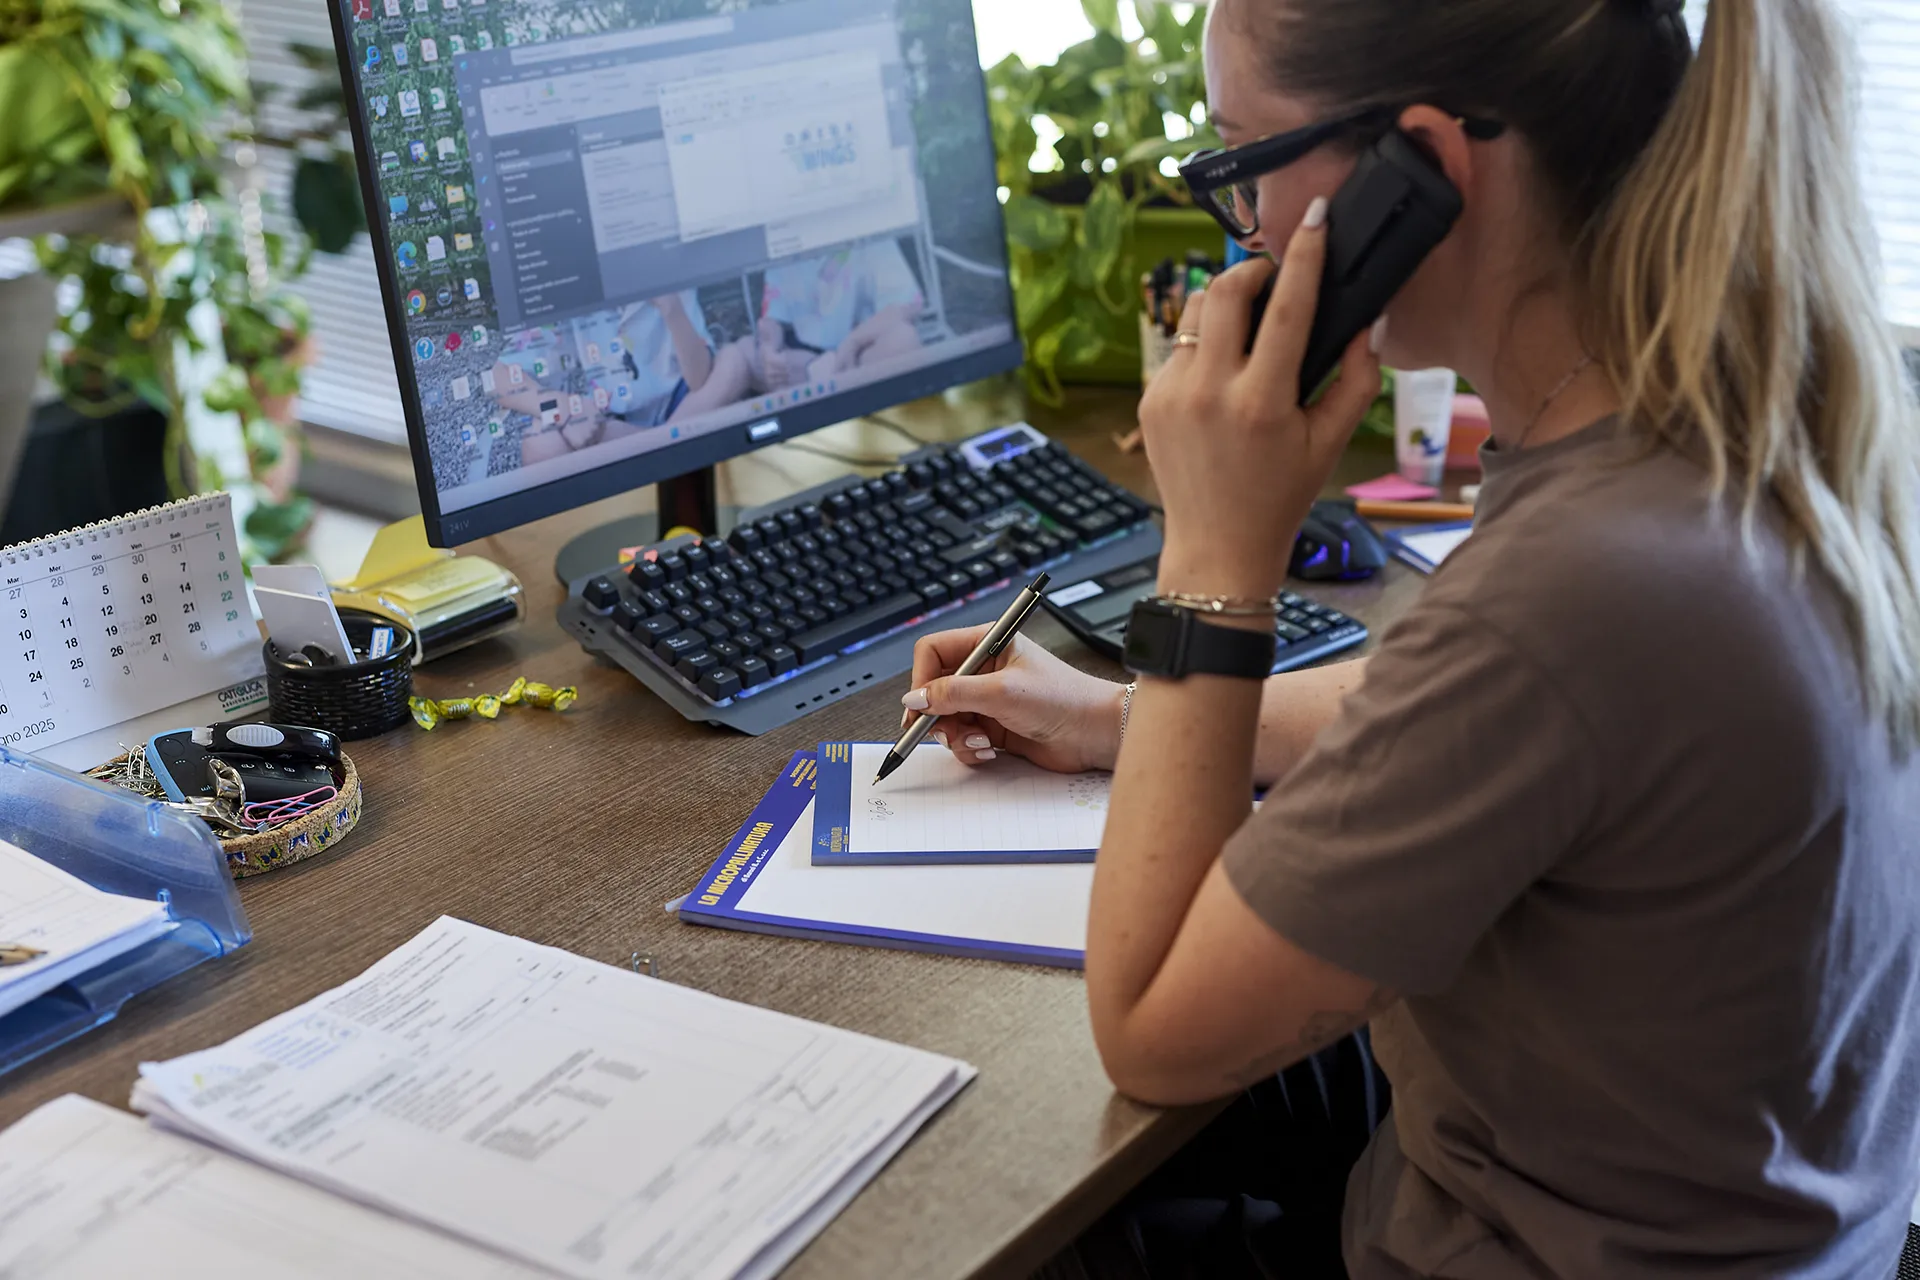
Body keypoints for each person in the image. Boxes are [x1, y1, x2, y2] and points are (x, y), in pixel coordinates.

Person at [903, 0, 1920, 1274]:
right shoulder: (1752, 405)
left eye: (1239, 164)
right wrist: (1111, 716)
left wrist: (1213, 559)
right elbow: (1489, 709)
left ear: (1423, 172)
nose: (1246, 231)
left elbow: (1154, 1025)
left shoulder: (1581, 586)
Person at [496, 291, 750, 465]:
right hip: (619, 426)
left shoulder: (666, 273)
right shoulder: (568, 288)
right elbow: (499, 378)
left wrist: (672, 309)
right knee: (541, 441)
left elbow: (699, 378)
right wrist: (561, 406)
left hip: (681, 403)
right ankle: (666, 448)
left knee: (734, 361)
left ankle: (658, 449)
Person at [752, 239, 924, 392]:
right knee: (735, 355)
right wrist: (769, 349)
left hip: (860, 351)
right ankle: (823, 374)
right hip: (801, 355)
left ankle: (821, 375)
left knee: (904, 339)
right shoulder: (784, 241)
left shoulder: (866, 227)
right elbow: (773, 316)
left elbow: (906, 306)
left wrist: (853, 342)